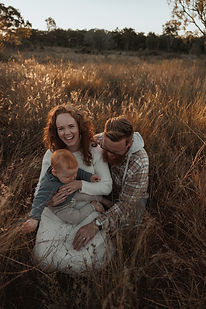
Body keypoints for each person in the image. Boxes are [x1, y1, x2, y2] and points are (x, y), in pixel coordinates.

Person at [32, 104, 113, 273]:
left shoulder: (95, 152)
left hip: (86, 209)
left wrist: (80, 184)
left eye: (71, 126)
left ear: (79, 126)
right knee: (45, 257)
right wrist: (50, 201)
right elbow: (40, 187)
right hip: (57, 210)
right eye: (61, 128)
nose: (67, 133)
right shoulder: (52, 154)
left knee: (91, 258)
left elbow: (106, 186)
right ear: (56, 131)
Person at [72, 116, 149, 251]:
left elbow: (125, 205)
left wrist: (96, 225)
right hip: (103, 189)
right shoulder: (98, 141)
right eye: (105, 148)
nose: (107, 155)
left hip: (130, 198)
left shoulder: (139, 162)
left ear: (128, 144)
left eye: (115, 152)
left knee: (125, 234)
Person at [21, 149, 105, 234]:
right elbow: (39, 200)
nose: (73, 178)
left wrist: (90, 177)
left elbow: (80, 173)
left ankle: (102, 200)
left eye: (74, 174)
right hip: (60, 206)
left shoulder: (68, 171)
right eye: (68, 177)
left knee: (88, 194)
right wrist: (34, 218)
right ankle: (93, 206)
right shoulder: (48, 184)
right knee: (75, 218)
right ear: (55, 173)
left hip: (71, 193)